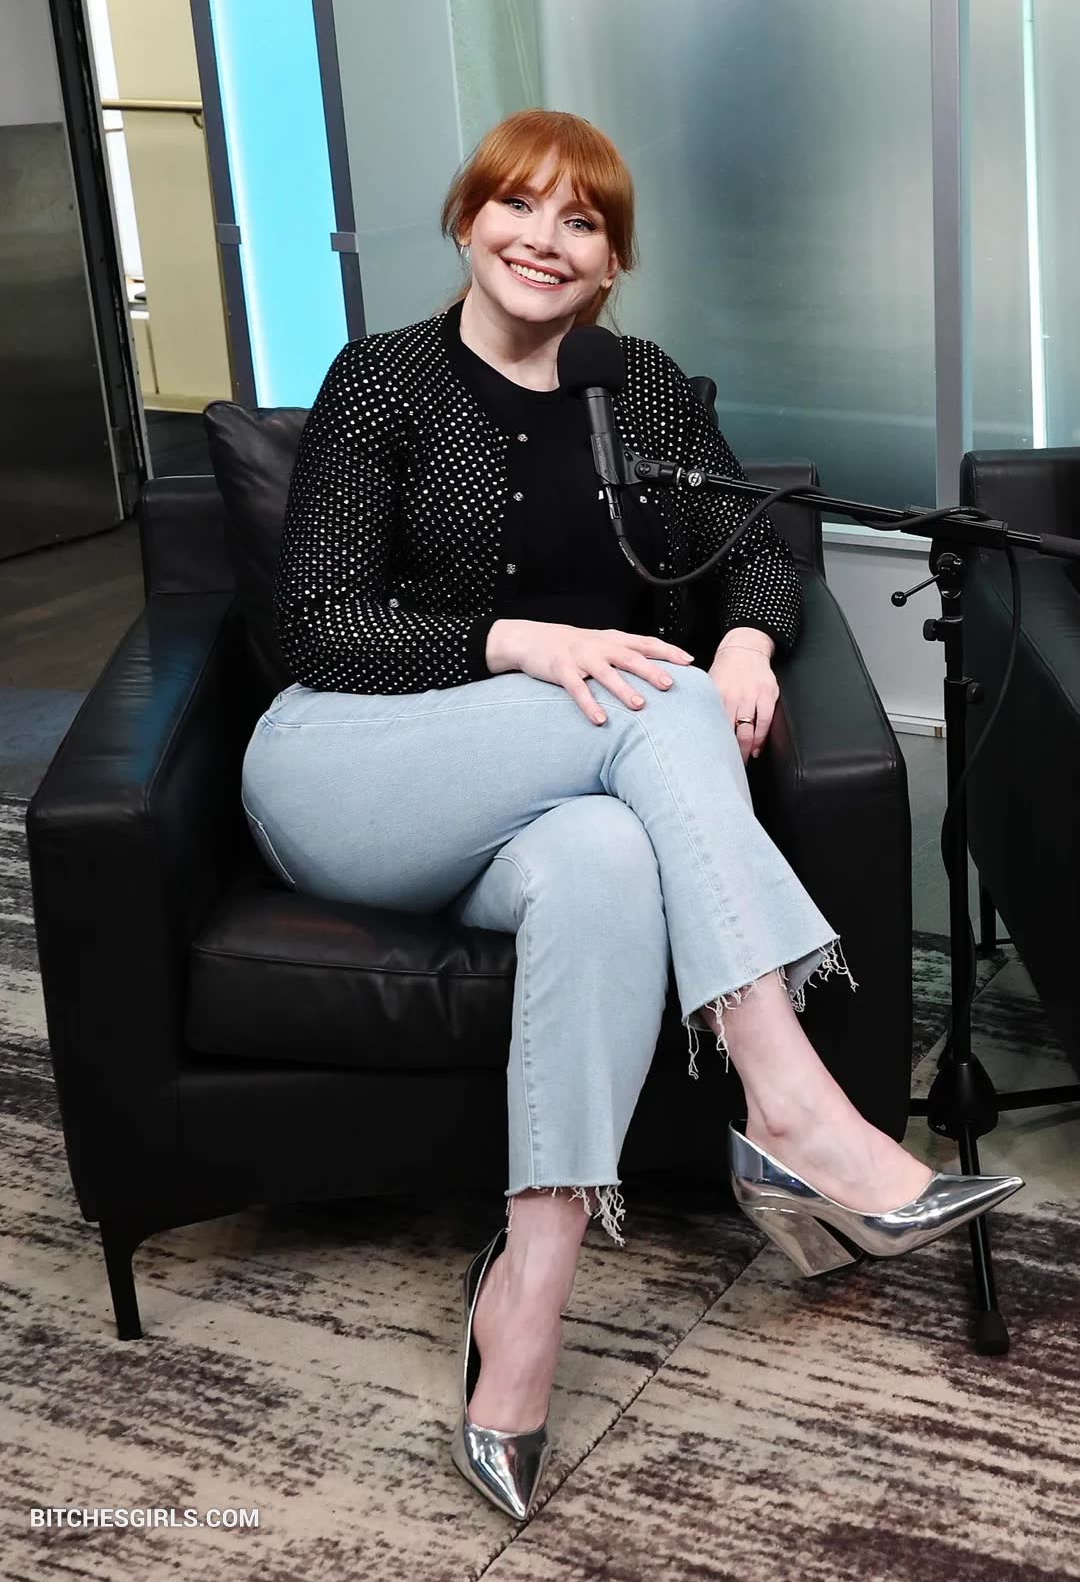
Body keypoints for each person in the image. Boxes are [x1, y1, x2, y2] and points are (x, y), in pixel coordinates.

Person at [241, 109, 1022, 1522]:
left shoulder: (639, 387)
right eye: (516, 206)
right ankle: (797, 1112)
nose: (543, 239)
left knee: (607, 856)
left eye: (581, 221)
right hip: (350, 766)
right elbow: (317, 626)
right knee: (649, 692)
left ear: (613, 262)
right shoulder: (383, 379)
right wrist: (520, 642)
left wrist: (751, 639)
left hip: (548, 801)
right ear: (467, 221)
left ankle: (526, 1299)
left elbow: (751, 548)